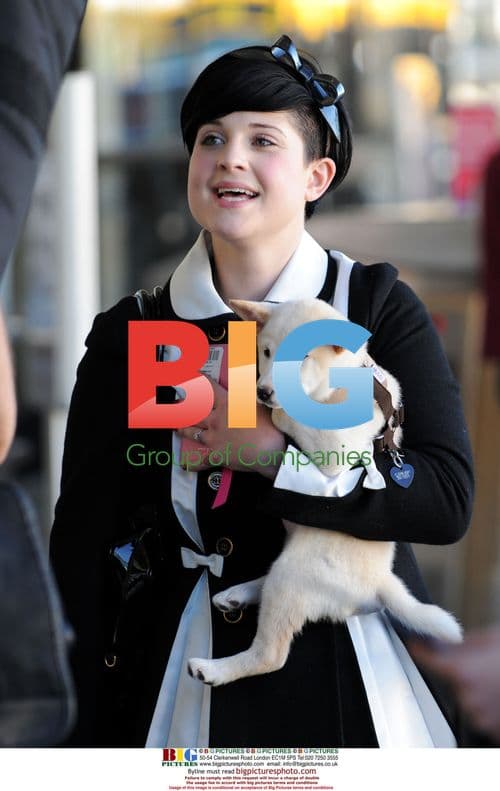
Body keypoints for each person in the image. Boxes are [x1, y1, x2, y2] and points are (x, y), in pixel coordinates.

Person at [50, 35, 474, 748]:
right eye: (211, 138)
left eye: (262, 140)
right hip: (174, 677)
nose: (230, 157)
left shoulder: (370, 305)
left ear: (317, 176)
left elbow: (443, 497)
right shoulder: (135, 330)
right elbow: (83, 541)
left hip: (351, 676)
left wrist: (276, 456)